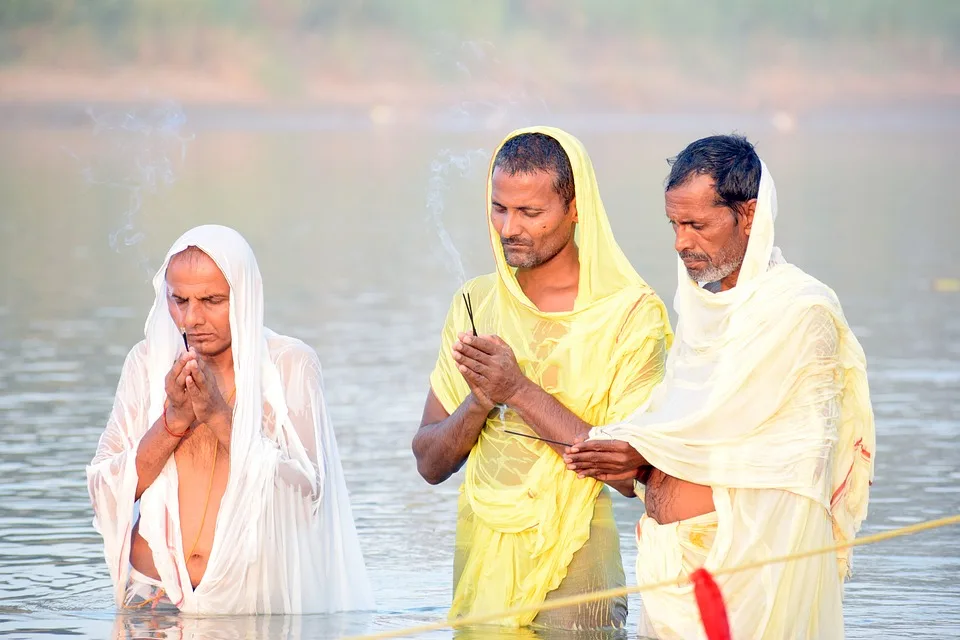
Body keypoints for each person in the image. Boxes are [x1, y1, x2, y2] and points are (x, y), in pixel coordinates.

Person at [564, 135, 876, 638]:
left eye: (696, 225)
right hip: (673, 568)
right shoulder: (699, 310)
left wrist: (644, 454)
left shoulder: (801, 310)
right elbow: (687, 423)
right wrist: (640, 454)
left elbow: (788, 461)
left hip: (747, 578)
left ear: (748, 215)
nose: (680, 242)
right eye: (674, 224)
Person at [412, 126, 672, 629]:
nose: (509, 228)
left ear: (577, 209)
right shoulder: (475, 303)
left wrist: (518, 390)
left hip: (575, 578)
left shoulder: (629, 316)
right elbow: (428, 462)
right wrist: (480, 402)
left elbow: (629, 476)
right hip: (480, 570)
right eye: (499, 208)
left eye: (531, 213)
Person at [86, 224, 373, 614]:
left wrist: (221, 418)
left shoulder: (288, 365)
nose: (192, 318)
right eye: (179, 300)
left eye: (211, 300)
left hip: (248, 604)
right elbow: (105, 490)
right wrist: (172, 421)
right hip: (151, 601)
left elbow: (308, 497)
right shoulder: (147, 362)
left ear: (245, 295)